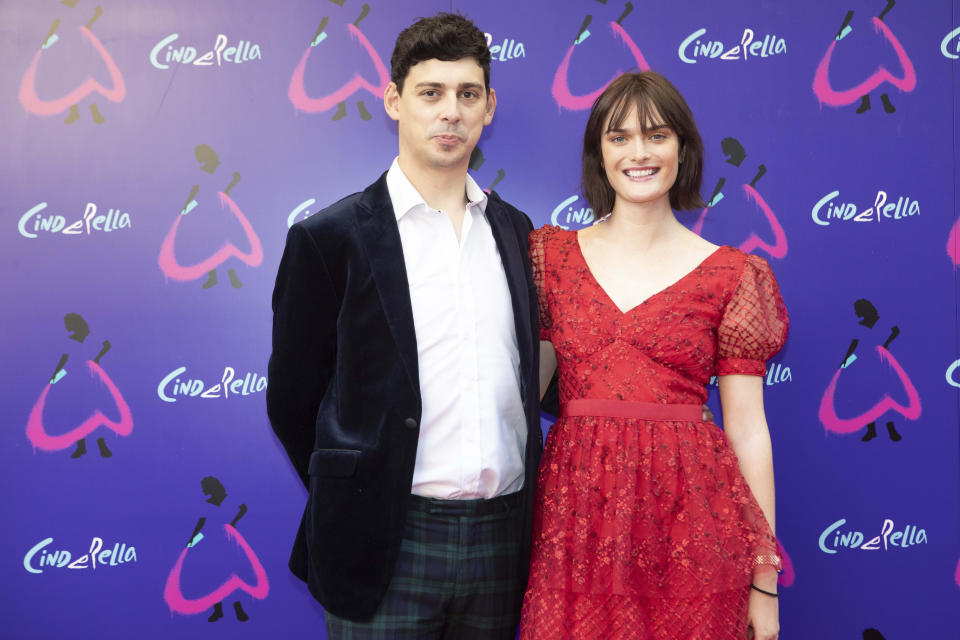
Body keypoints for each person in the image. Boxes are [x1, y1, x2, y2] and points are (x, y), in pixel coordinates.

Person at [267, 13, 542, 639]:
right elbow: (293, 396)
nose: (450, 112)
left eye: (467, 94)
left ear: (489, 107)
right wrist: (357, 483)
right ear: (394, 101)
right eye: (430, 93)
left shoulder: (519, 233)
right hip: (385, 538)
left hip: (503, 538)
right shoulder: (328, 239)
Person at [519, 71, 788, 640]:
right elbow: (520, 401)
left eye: (657, 135)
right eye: (619, 137)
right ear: (599, 153)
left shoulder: (732, 274)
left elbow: (748, 431)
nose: (639, 153)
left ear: (682, 148)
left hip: (691, 525)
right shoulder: (550, 258)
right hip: (575, 525)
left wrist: (764, 578)